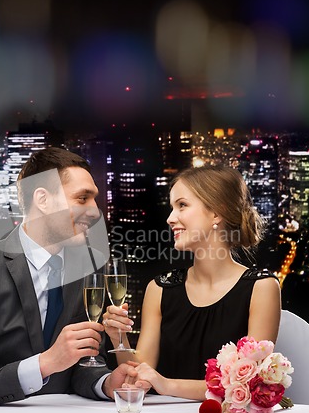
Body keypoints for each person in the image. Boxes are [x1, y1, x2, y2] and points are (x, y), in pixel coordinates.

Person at [0, 147, 137, 407]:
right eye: (82, 198)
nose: (94, 211)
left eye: (94, 199)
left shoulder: (89, 265)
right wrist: (44, 364)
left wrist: (105, 383)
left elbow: (86, 362)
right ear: (42, 200)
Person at [102, 164, 281, 400]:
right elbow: (138, 376)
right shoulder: (159, 289)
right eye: (172, 207)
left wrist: (166, 385)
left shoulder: (262, 288)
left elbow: (248, 386)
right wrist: (119, 338)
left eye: (182, 205)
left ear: (217, 213)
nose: (170, 218)